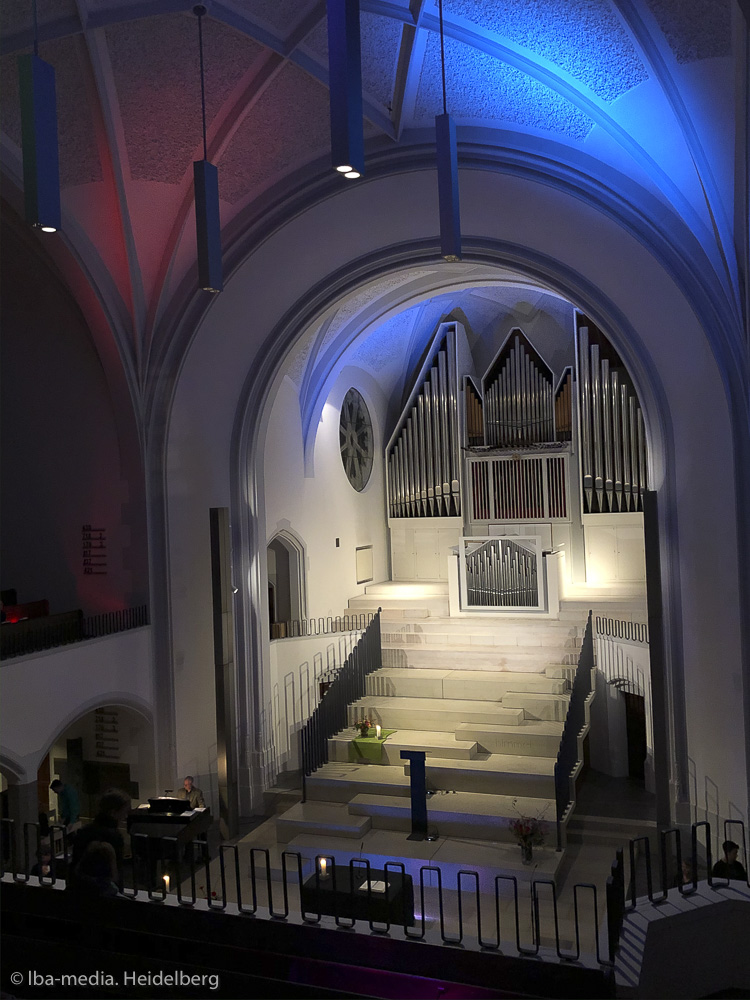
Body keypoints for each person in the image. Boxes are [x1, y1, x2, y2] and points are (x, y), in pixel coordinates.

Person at [70, 789, 131, 884]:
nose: (126, 816)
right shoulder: (114, 836)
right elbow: (116, 871)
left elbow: (75, 862)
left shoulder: (84, 831)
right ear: (113, 813)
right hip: (103, 887)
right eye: (124, 812)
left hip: (79, 885)